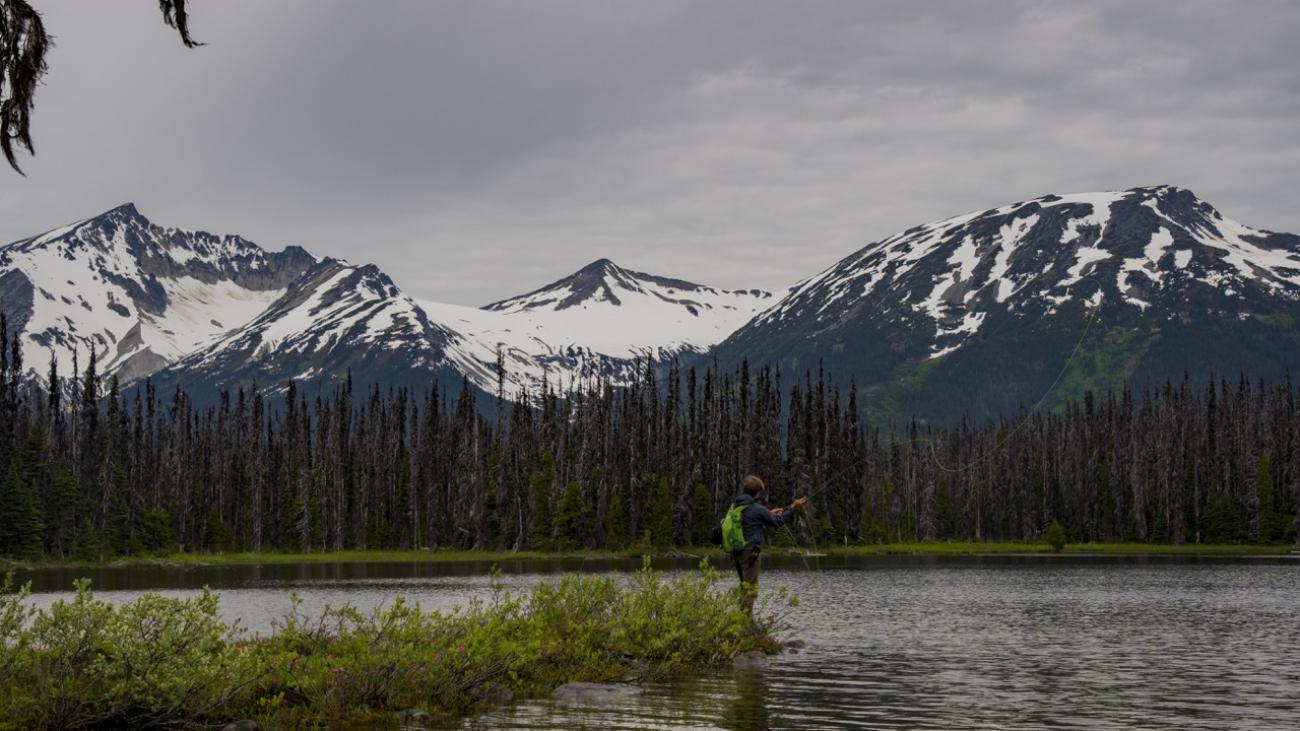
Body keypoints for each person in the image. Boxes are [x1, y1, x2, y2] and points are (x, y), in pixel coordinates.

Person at [729, 474, 808, 613]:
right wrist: (793, 508)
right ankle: (744, 625)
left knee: (744, 587)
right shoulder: (757, 509)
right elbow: (778, 522)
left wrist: (768, 513)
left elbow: (750, 521)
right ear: (758, 492)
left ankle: (741, 621)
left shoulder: (736, 506)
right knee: (750, 590)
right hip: (750, 554)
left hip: (736, 552)